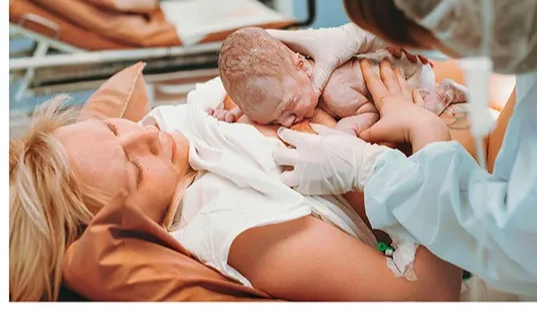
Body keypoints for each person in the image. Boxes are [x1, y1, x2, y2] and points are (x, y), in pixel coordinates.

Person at [269, 0, 537, 299]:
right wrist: (364, 36)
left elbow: (529, 242)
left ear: (464, 10)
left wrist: (376, 169)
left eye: (426, 38)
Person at [9, 93, 462, 301]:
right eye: (133, 169)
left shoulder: (174, 133)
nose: (143, 135)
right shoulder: (239, 229)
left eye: (111, 128)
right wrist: (430, 136)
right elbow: (426, 295)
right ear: (124, 224)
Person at [212, 26, 466, 135]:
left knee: (411, 117)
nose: (287, 122)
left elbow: (374, 111)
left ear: (303, 67)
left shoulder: (335, 92)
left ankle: (444, 93)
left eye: (289, 108)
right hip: (395, 59)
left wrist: (350, 128)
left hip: (410, 75)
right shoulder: (288, 86)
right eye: (275, 120)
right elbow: (266, 102)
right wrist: (233, 113)